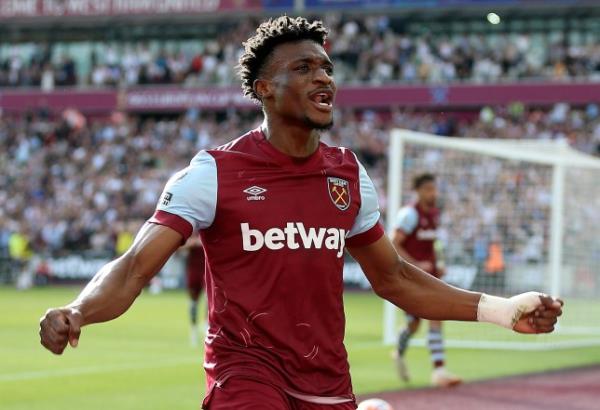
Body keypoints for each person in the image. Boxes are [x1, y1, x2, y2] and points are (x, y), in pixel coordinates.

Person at [39, 16, 563, 410]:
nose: (325, 78)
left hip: (326, 380)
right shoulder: (213, 173)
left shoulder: (348, 175)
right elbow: (134, 267)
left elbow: (396, 278)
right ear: (264, 89)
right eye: (305, 67)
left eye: (328, 68)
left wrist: (501, 309)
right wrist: (79, 311)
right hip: (244, 373)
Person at [392, 173, 461, 387]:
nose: (433, 193)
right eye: (429, 189)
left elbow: (433, 244)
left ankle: (439, 371)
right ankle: (399, 351)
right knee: (413, 325)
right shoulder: (409, 215)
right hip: (411, 278)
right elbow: (394, 244)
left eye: (434, 189)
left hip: (429, 277)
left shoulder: (434, 214)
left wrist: (438, 263)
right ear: (419, 191)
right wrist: (416, 264)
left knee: (436, 317)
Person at [181, 234, 206, 346]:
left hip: (206, 270)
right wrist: (192, 242)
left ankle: (207, 324)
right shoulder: (191, 230)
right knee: (193, 303)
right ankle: (193, 330)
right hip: (193, 271)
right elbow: (179, 246)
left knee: (209, 299)